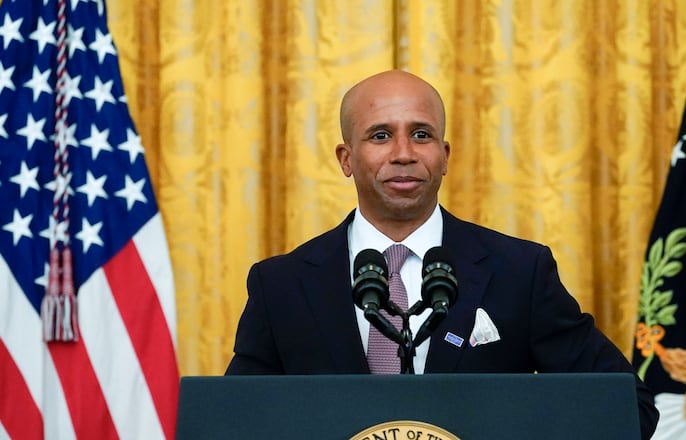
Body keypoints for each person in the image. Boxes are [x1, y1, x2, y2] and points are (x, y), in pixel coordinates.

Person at [226, 69, 659, 438]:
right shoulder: (282, 285)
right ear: (346, 158)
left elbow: (626, 408)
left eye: (421, 135)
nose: (403, 154)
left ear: (445, 155)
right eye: (380, 136)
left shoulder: (519, 273)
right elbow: (233, 424)